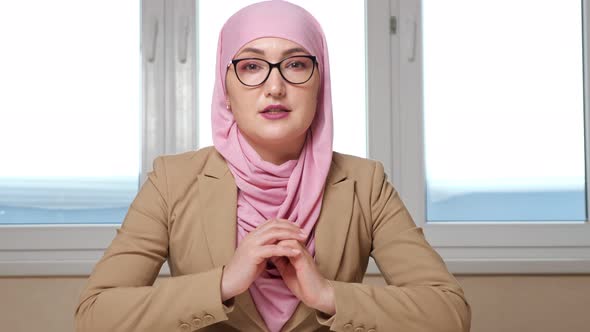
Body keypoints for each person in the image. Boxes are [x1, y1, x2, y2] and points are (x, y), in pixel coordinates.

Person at [74, 1, 471, 331]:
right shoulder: (172, 181)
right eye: (251, 66)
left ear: (321, 84)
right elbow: (95, 315)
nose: (275, 86)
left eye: (296, 64)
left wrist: (326, 294)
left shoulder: (365, 184)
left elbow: (449, 314)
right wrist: (224, 283)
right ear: (225, 88)